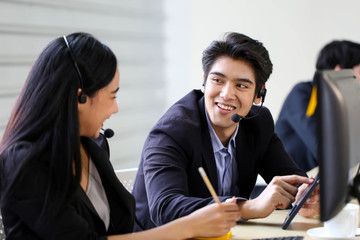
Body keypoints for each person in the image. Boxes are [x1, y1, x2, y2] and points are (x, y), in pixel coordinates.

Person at [0, 32, 242, 239]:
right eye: (112, 95)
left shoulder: (91, 145)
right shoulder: (24, 163)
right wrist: (188, 226)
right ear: (80, 97)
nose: (115, 108)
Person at [132, 32, 319, 231]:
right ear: (204, 81)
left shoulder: (258, 123)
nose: (227, 94)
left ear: (259, 94)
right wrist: (245, 207)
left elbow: (290, 179)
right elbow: (165, 209)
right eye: (218, 80)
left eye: (241, 85)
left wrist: (307, 195)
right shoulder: (173, 130)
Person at [275, 40, 360, 172]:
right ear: (340, 71)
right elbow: (325, 150)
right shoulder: (303, 94)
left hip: (322, 185)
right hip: (292, 188)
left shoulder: (344, 104)